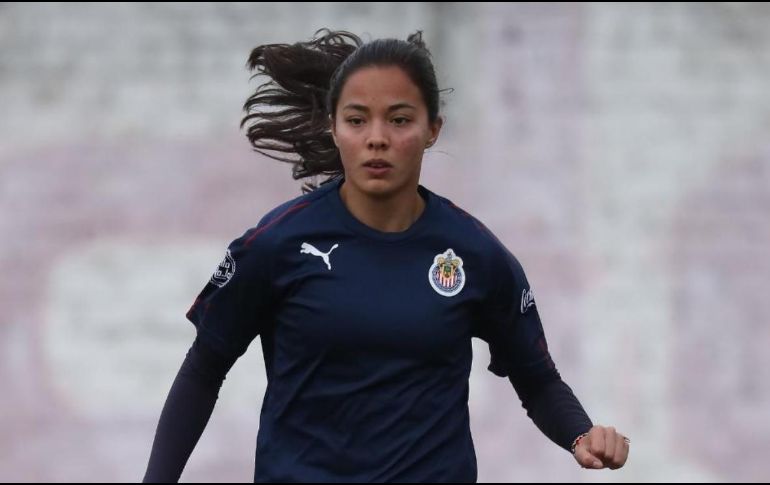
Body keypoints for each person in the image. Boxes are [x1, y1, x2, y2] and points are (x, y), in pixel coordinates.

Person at [143, 29, 630, 483]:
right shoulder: (277, 244)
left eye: (399, 120)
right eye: (357, 120)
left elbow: (538, 379)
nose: (377, 138)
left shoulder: (475, 254)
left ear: (432, 129)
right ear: (334, 128)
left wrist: (581, 435)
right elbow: (203, 369)